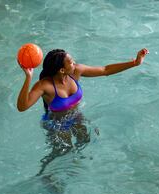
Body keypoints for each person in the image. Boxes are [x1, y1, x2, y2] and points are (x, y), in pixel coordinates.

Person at [17, 48, 149, 176]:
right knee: (62, 152)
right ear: (62, 70)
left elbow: (105, 70)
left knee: (85, 140)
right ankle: (45, 174)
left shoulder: (75, 72)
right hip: (57, 124)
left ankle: (75, 169)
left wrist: (135, 63)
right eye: (71, 62)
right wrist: (28, 77)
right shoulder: (45, 85)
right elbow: (22, 107)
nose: (74, 63)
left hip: (76, 117)